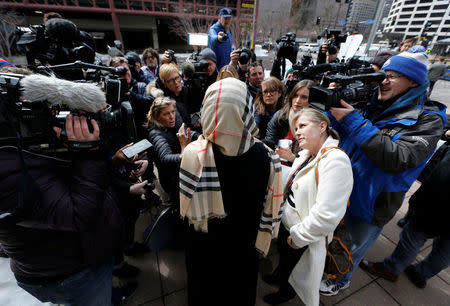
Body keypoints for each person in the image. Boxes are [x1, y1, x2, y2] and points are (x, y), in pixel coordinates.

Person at [319, 46, 447, 296]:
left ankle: (340, 279)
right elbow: (341, 134)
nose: (383, 81)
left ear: (413, 81)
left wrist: (353, 120)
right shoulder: (374, 101)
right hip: (341, 188)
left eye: (393, 76)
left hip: (373, 202)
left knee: (351, 247)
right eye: (383, 74)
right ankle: (324, 269)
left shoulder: (429, 120)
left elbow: (399, 158)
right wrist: (333, 111)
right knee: (331, 239)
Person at [179, 77, 283, 306]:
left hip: (203, 247)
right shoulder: (268, 156)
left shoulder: (192, 153)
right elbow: (271, 204)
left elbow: (185, 209)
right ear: (246, 109)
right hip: (243, 246)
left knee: (203, 292)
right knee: (240, 291)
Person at [0, 112, 123, 305]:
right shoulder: (6, 166)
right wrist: (89, 153)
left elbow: (63, 177)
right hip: (70, 274)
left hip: (86, 254)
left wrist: (107, 159)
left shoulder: (17, 141)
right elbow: (78, 214)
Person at [263, 108, 353, 306]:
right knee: (285, 260)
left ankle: (286, 292)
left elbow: (327, 215)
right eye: (295, 128)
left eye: (302, 126)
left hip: (302, 234)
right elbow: (298, 181)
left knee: (293, 265)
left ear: (322, 127)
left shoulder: (336, 161)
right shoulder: (307, 154)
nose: (297, 132)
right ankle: (279, 276)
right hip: (288, 224)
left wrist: (298, 237)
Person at [360, 130, 450, 289]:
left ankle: (391, 269)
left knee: (413, 238)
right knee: (445, 250)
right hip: (440, 204)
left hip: (438, 205)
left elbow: (440, 179)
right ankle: (421, 274)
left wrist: (419, 202)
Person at [145, 96, 197, 205]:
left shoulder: (175, 119)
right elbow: (165, 157)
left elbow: (186, 132)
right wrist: (183, 152)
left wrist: (200, 137)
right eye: (166, 114)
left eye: (173, 112)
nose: (171, 117)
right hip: (172, 180)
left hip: (184, 173)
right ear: (157, 116)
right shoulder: (155, 133)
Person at [263, 79, 314, 153]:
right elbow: (270, 143)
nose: (297, 101)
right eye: (295, 95)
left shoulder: (317, 122)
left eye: (304, 97)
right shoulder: (280, 116)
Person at [109, 56, 153, 139]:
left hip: (142, 135)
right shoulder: (110, 93)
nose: (125, 74)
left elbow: (150, 103)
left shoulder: (141, 86)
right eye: (120, 71)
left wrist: (130, 94)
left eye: (126, 70)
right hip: (120, 136)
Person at [146, 63, 192, 128]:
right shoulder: (165, 101)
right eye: (171, 80)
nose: (176, 82)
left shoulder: (186, 91)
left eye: (177, 78)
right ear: (164, 83)